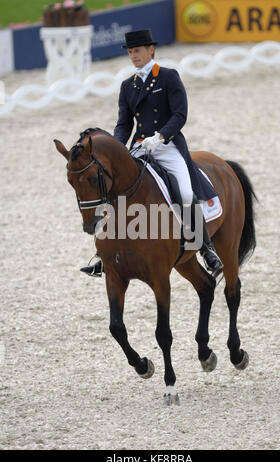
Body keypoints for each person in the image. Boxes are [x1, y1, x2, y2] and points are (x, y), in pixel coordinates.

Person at [81, 29, 223, 277]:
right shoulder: (128, 85)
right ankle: (105, 254)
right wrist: (116, 148)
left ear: (151, 50)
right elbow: (124, 123)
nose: (134, 55)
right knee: (112, 189)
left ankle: (205, 248)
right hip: (139, 148)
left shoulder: (168, 77)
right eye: (130, 52)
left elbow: (180, 114)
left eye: (137, 51)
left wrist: (159, 137)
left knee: (186, 193)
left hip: (166, 146)